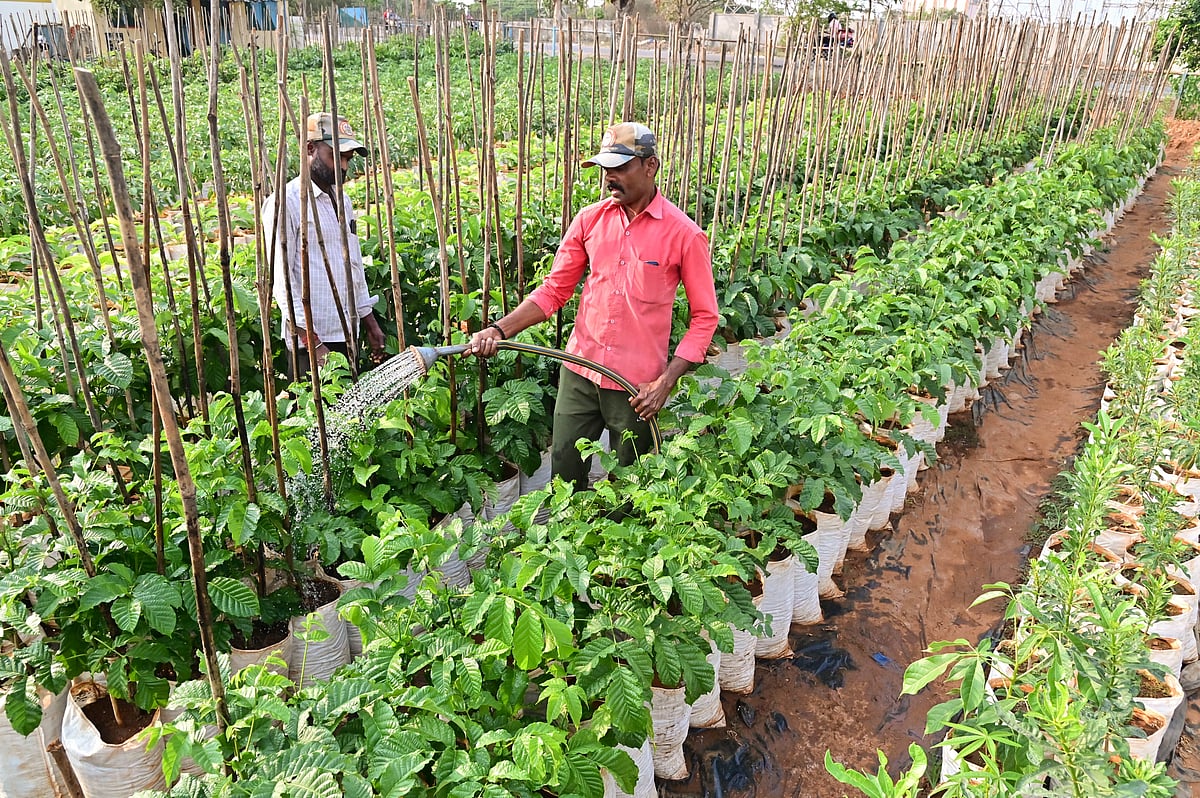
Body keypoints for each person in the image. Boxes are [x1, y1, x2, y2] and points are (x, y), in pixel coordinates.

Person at [466, 122, 719, 491]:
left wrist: (666, 382)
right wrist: (499, 330)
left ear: (651, 166)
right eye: (605, 169)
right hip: (580, 369)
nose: (609, 178)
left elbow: (705, 317)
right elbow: (554, 291)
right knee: (565, 474)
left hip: (637, 388)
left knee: (632, 489)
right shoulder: (589, 220)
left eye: (620, 168)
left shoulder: (684, 235)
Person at [264, 112, 385, 378]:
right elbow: (282, 284)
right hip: (311, 341)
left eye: (347, 159)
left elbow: (353, 265)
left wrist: (369, 321)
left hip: (346, 330)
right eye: (336, 157)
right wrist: (313, 344)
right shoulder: (286, 203)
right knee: (315, 414)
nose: (343, 167)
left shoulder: (343, 201)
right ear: (310, 149)